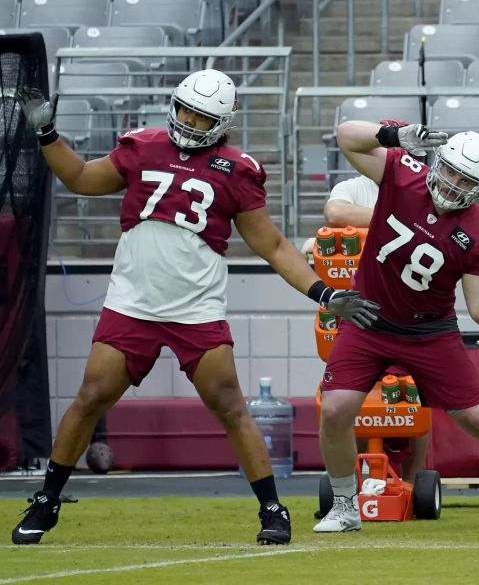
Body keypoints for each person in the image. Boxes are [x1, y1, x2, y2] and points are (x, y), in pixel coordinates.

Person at [11, 69, 379, 545]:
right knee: (90, 397)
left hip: (195, 308)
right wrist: (46, 132)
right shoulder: (141, 146)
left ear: (222, 122)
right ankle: (47, 499)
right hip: (132, 302)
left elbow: (273, 245)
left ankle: (271, 507)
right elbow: (80, 176)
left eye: (201, 116)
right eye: (185, 109)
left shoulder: (237, 168)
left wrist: (324, 292)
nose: (188, 120)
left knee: (230, 406)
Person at [313, 120, 479, 534]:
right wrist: (393, 134)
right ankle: (346, 506)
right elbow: (346, 135)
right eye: (452, 170)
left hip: (429, 332)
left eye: (467, 179)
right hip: (369, 318)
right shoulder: (403, 173)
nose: (455, 183)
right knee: (335, 409)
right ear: (438, 163)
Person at [304, 172, 431, 482]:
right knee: (353, 398)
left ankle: (415, 481)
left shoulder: (423, 188)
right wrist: (399, 223)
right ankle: (358, 478)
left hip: (408, 310)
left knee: (415, 397)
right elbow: (335, 214)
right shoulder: (352, 187)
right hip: (359, 309)